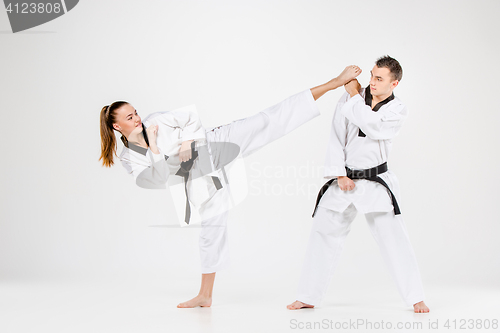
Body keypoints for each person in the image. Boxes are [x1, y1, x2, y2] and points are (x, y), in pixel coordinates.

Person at [98, 65, 362, 308]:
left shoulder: (156, 119)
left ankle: (334, 83)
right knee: (211, 230)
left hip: (217, 143)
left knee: (267, 120)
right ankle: (205, 295)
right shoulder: (127, 158)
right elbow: (156, 179)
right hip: (197, 178)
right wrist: (155, 146)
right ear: (116, 125)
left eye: (135, 113)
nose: (137, 119)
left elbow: (190, 117)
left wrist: (189, 141)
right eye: (130, 118)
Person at [286, 56, 430, 313]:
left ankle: (415, 296)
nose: (372, 82)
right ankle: (307, 295)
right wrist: (338, 174)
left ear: (394, 83)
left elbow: (373, 126)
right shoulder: (352, 97)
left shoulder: (397, 109)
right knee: (322, 233)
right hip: (345, 179)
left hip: (376, 182)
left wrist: (353, 95)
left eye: (379, 78)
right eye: (372, 76)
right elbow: (336, 136)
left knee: (394, 239)